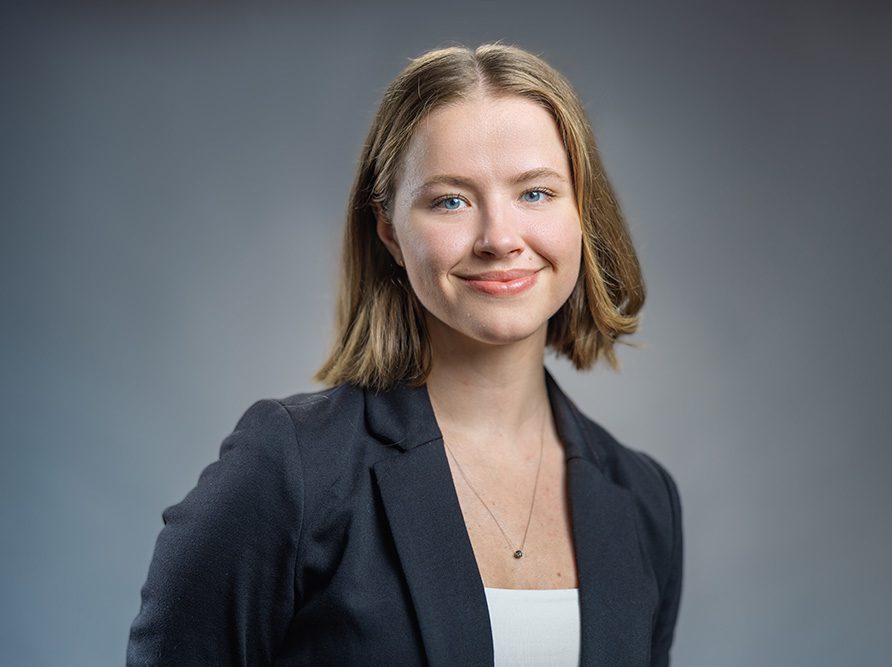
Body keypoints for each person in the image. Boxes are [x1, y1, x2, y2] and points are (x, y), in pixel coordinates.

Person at [127, 43, 682, 666]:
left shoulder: (644, 499)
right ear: (390, 230)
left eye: (535, 193)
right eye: (451, 200)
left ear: (583, 213)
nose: (499, 238)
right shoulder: (289, 468)